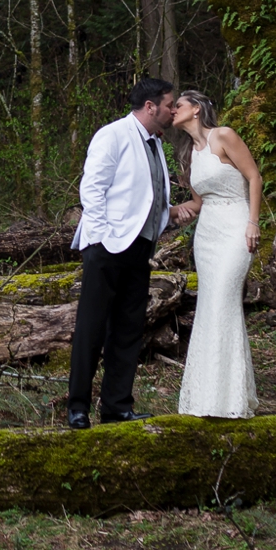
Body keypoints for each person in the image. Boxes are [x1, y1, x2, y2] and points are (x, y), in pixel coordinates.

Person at [66, 76, 181, 429]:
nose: (174, 111)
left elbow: (146, 193)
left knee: (128, 328)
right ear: (150, 107)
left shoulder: (155, 143)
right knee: (92, 327)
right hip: (107, 247)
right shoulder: (113, 134)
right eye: (169, 105)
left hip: (140, 247)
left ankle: (117, 405)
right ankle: (78, 407)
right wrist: (101, 239)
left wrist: (168, 217)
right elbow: (93, 189)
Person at [166, 88, 263, 417]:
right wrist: (161, 211)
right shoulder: (190, 155)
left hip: (236, 226)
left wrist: (253, 222)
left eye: (177, 105)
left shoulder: (224, 136)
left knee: (224, 300)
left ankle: (231, 398)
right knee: (209, 309)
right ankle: (208, 398)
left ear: (195, 109)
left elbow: (254, 177)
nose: (172, 110)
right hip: (206, 236)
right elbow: (196, 204)